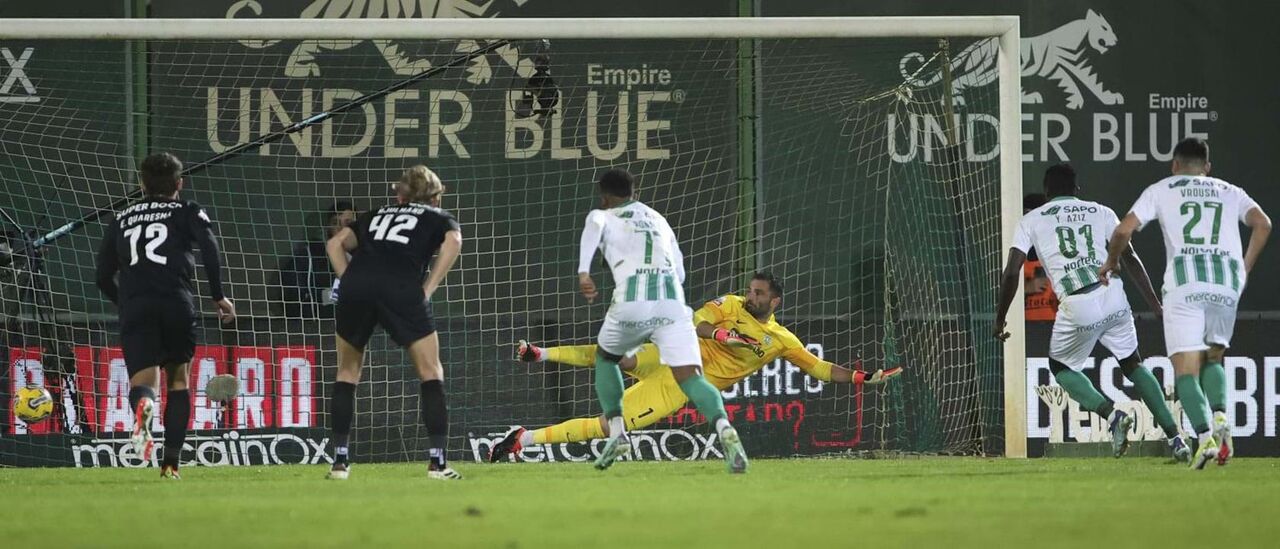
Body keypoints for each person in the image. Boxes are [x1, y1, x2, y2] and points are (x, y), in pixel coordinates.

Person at [488, 272, 901, 462]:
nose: (751, 296)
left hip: (682, 383)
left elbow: (820, 368)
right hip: (676, 356)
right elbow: (697, 322)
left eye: (759, 293)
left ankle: (523, 436)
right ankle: (540, 360)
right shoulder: (730, 305)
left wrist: (864, 378)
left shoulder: (781, 340)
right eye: (751, 290)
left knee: (608, 423)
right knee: (617, 358)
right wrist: (722, 335)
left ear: (774, 301)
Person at [994, 164, 1186, 460]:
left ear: (1047, 192)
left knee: (1060, 368)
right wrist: (1156, 305)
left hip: (1077, 302)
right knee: (1133, 363)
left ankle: (1112, 415)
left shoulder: (1030, 219)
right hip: (1113, 294)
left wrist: (1000, 318)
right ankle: (1176, 439)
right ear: (1076, 190)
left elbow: (1011, 272)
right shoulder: (1102, 211)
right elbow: (1131, 258)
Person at [1100, 137, 1271, 469]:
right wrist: (1245, 267)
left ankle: (1205, 437)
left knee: (1186, 370)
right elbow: (1263, 224)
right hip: (1226, 283)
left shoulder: (1162, 189)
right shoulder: (1229, 191)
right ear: (1207, 167)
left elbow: (1122, 231)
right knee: (1213, 357)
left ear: (1174, 165)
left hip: (1184, 284)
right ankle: (1221, 415)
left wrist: (1112, 261)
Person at [572, 169, 754, 473]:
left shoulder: (603, 215)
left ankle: (617, 432)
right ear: (635, 192)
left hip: (632, 304)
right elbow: (680, 273)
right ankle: (724, 427)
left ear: (604, 197)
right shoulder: (658, 219)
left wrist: (583, 273)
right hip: (673, 306)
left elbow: (594, 226)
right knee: (692, 378)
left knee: (606, 358)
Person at [94, 152, 236, 479]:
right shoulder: (187, 210)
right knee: (178, 381)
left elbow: (102, 276)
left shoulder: (121, 218)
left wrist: (125, 303)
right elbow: (209, 245)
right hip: (175, 302)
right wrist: (217, 294)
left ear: (142, 184)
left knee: (143, 383)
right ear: (179, 183)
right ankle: (170, 464)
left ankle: (144, 408)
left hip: (136, 306)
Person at [324, 166, 463, 480]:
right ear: (435, 197)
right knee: (431, 371)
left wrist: (351, 281)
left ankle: (340, 463)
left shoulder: (374, 215)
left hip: (356, 287)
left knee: (347, 372)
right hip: (401, 288)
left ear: (400, 196)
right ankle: (437, 463)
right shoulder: (438, 217)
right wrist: (428, 289)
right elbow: (454, 241)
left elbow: (334, 245)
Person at [277, 201, 355, 319]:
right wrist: (335, 295)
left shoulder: (369, 256)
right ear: (328, 227)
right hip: (323, 325)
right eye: (335, 223)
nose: (341, 228)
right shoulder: (308, 258)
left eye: (348, 223)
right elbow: (292, 301)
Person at [1022, 193, 1059, 321]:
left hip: (1056, 323)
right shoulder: (1016, 252)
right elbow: (998, 292)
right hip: (1024, 324)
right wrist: (1026, 288)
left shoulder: (1062, 249)